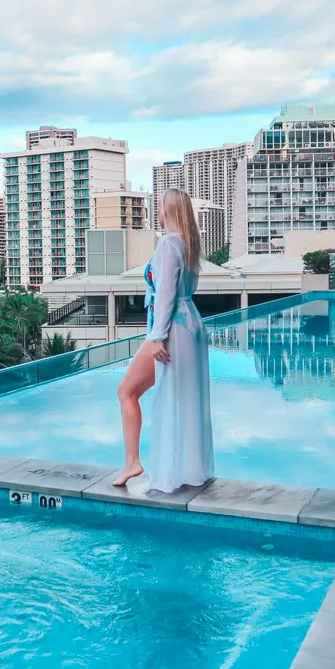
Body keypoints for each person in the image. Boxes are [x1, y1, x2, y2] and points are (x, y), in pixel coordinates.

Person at [113, 188, 215, 492]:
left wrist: (157, 337)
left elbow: (167, 294)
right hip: (191, 325)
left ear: (167, 210)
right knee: (184, 397)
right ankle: (187, 468)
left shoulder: (169, 245)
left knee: (126, 391)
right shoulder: (190, 245)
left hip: (171, 328)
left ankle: (133, 462)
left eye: (158, 207)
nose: (156, 212)